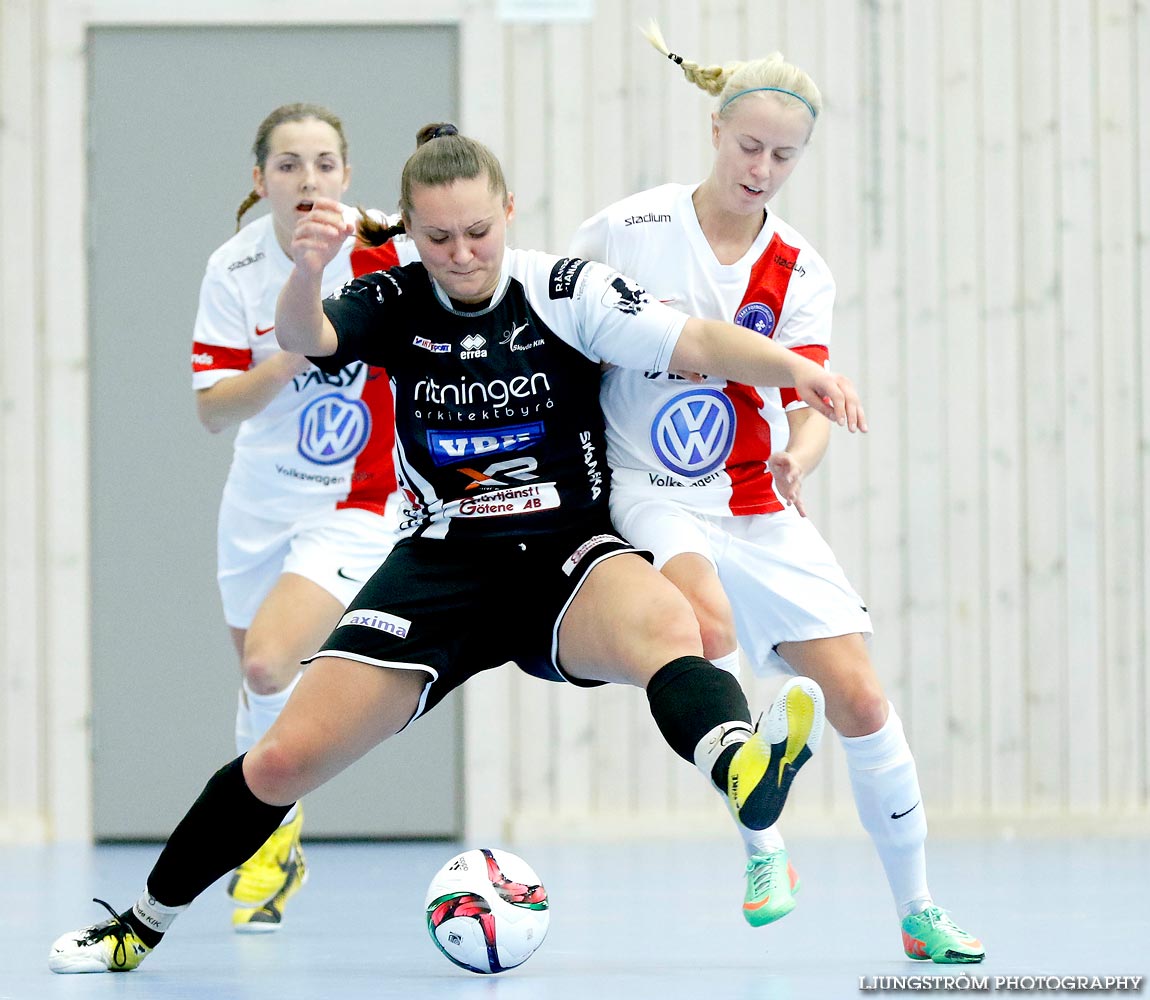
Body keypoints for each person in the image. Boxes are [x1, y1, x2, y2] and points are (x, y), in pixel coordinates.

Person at [48, 122, 865, 974]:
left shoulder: (564, 287)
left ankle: (740, 762)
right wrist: (304, 270)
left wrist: (793, 370)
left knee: (672, 627)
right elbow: (305, 338)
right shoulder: (395, 299)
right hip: (442, 564)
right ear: (409, 230)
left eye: (480, 232)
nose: (463, 254)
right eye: (438, 237)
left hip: (565, 555)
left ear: (508, 212)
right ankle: (138, 924)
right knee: (282, 756)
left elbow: (694, 340)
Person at [568, 24, 984, 964]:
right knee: (706, 631)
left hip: (755, 499)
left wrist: (801, 455)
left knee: (862, 699)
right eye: (748, 146)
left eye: (783, 156)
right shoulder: (629, 229)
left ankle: (918, 911)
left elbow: (812, 399)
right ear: (715, 131)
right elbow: (561, 323)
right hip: (650, 488)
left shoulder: (801, 269)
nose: (762, 168)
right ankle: (764, 845)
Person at [190, 102, 417, 933]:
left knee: (267, 663)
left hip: (356, 500)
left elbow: (470, 266)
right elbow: (214, 409)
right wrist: (294, 343)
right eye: (287, 164)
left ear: (345, 175)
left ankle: (263, 833)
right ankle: (279, 831)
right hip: (259, 498)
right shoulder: (235, 266)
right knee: (255, 685)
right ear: (261, 180)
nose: (307, 179)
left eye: (324, 163)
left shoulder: (383, 248)